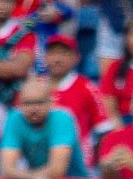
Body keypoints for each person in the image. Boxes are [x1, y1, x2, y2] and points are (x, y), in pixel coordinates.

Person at [0, 76, 90, 179]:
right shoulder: (14, 118)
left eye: (39, 102)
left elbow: (57, 169)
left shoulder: (62, 118)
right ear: (20, 104)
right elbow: (7, 169)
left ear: (51, 102)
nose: (34, 109)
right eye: (28, 103)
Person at [44, 34, 105, 162]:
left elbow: (104, 129)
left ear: (76, 58)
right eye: (53, 53)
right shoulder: (35, 87)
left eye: (64, 54)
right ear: (45, 57)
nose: (57, 59)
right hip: (41, 160)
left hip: (79, 163)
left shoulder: (88, 88)